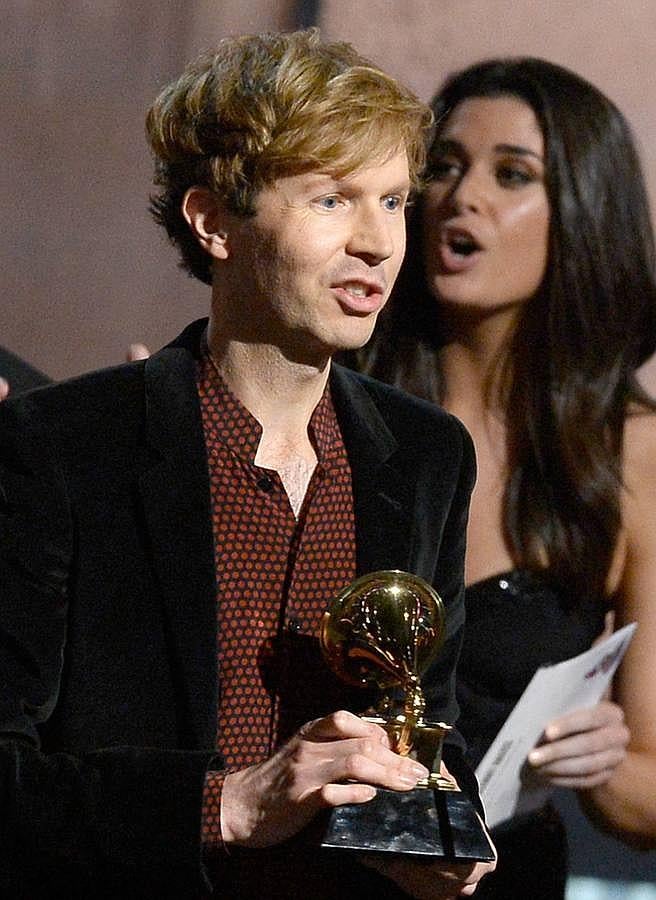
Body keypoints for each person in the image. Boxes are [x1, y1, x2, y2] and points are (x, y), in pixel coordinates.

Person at [0, 30, 496, 899]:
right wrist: (225, 804)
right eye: (333, 201)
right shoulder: (64, 448)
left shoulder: (426, 456)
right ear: (214, 221)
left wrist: (443, 837)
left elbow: (428, 721)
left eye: (392, 202)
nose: (378, 244)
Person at [346, 57, 656, 897]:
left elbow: (645, 793)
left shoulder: (628, 451)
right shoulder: (332, 398)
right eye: (441, 167)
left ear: (585, 215)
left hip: (504, 874)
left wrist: (595, 758)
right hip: (317, 868)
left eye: (511, 174)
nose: (460, 194)